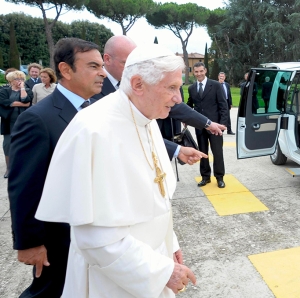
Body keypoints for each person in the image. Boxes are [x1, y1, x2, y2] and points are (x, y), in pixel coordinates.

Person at [35, 44, 198, 297]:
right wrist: (160, 271)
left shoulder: (146, 117)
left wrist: (170, 243)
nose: (179, 98)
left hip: (153, 260)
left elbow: (157, 198)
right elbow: (94, 238)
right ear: (138, 84)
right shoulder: (94, 130)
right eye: (172, 88)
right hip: (113, 278)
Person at [8, 38, 104, 298]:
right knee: (50, 291)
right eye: (94, 66)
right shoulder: (38, 119)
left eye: (102, 66)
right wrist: (30, 243)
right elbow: (25, 186)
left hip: (92, 232)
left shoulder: (96, 110)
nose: (103, 73)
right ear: (66, 69)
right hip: (59, 239)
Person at [92, 35, 226, 160]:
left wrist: (205, 125)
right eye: (127, 63)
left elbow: (148, 134)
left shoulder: (149, 107)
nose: (133, 69)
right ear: (107, 59)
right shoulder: (92, 91)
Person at [188, 62, 229, 188]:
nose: (199, 74)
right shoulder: (192, 88)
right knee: (202, 152)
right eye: (196, 72)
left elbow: (223, 105)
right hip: (200, 127)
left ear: (205, 70)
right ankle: (205, 177)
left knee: (217, 152)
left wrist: (222, 124)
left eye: (201, 71)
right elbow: (190, 105)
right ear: (193, 73)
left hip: (215, 126)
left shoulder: (215, 85)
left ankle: (219, 177)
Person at [0, 70, 33, 178]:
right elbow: (4, 102)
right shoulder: (4, 90)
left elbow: (27, 101)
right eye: (17, 79)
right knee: (8, 145)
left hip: (23, 122)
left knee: (24, 144)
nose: (20, 81)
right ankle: (9, 169)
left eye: (22, 79)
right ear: (11, 80)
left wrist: (22, 88)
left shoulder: (27, 90)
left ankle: (24, 168)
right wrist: (21, 104)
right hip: (9, 122)